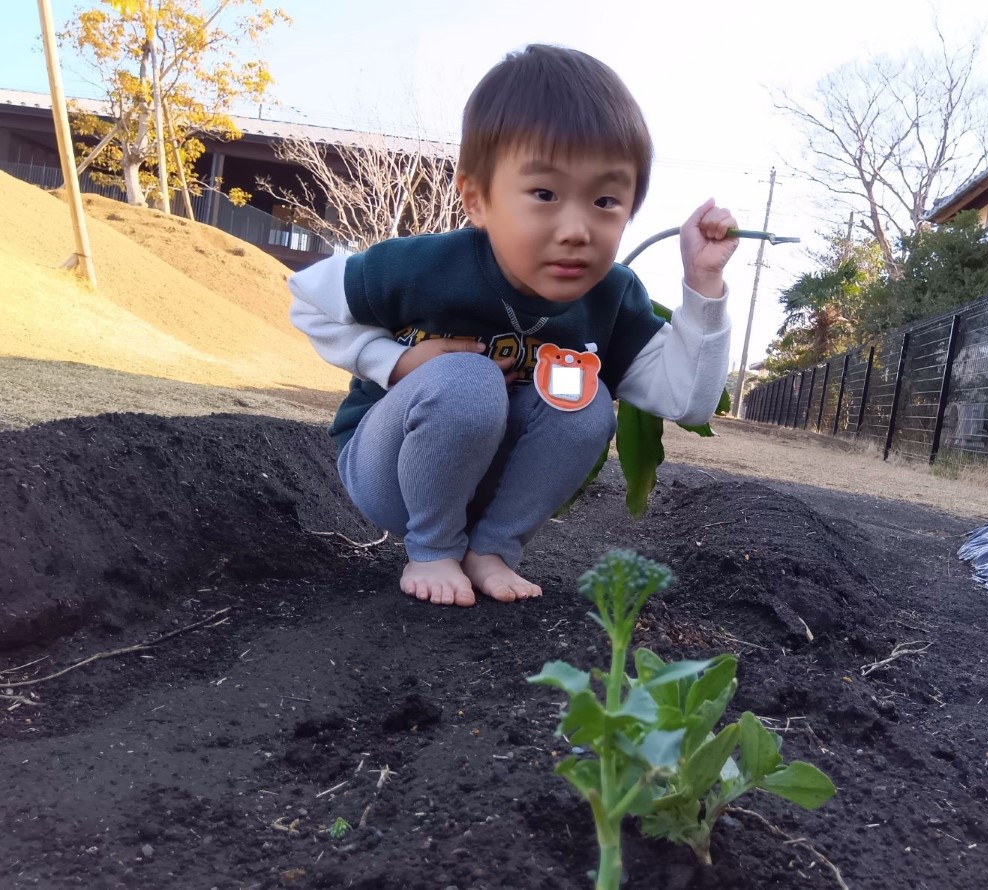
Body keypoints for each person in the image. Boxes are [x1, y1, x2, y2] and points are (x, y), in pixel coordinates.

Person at [289, 44, 738, 608]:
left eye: (605, 200)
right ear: (477, 199)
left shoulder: (613, 297)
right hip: (390, 471)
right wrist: (394, 363)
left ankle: (491, 549)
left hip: (490, 484)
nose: (576, 228)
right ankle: (432, 548)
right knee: (467, 381)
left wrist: (703, 285)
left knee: (586, 397)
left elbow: (689, 399)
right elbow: (307, 299)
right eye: (544, 194)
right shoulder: (428, 265)